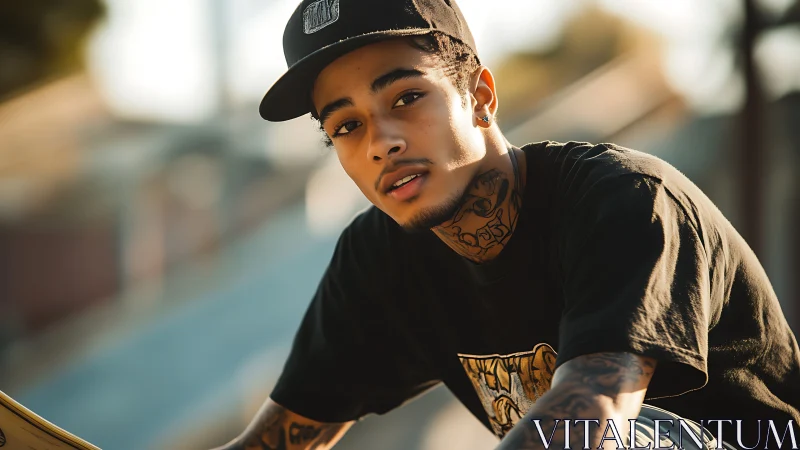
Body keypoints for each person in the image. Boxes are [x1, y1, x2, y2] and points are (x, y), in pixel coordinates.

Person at [213, 0, 800, 448]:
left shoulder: (622, 199)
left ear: (479, 95)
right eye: (345, 127)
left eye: (405, 98)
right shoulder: (378, 259)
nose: (380, 143)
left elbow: (595, 411)